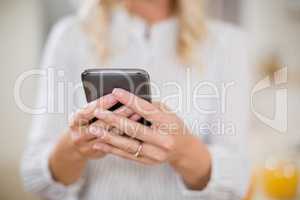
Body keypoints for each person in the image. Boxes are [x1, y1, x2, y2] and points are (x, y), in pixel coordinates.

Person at [21, 0, 252, 199]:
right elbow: (35, 177)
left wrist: (183, 150)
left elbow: (238, 183)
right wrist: (75, 147)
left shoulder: (227, 43)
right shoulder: (70, 36)